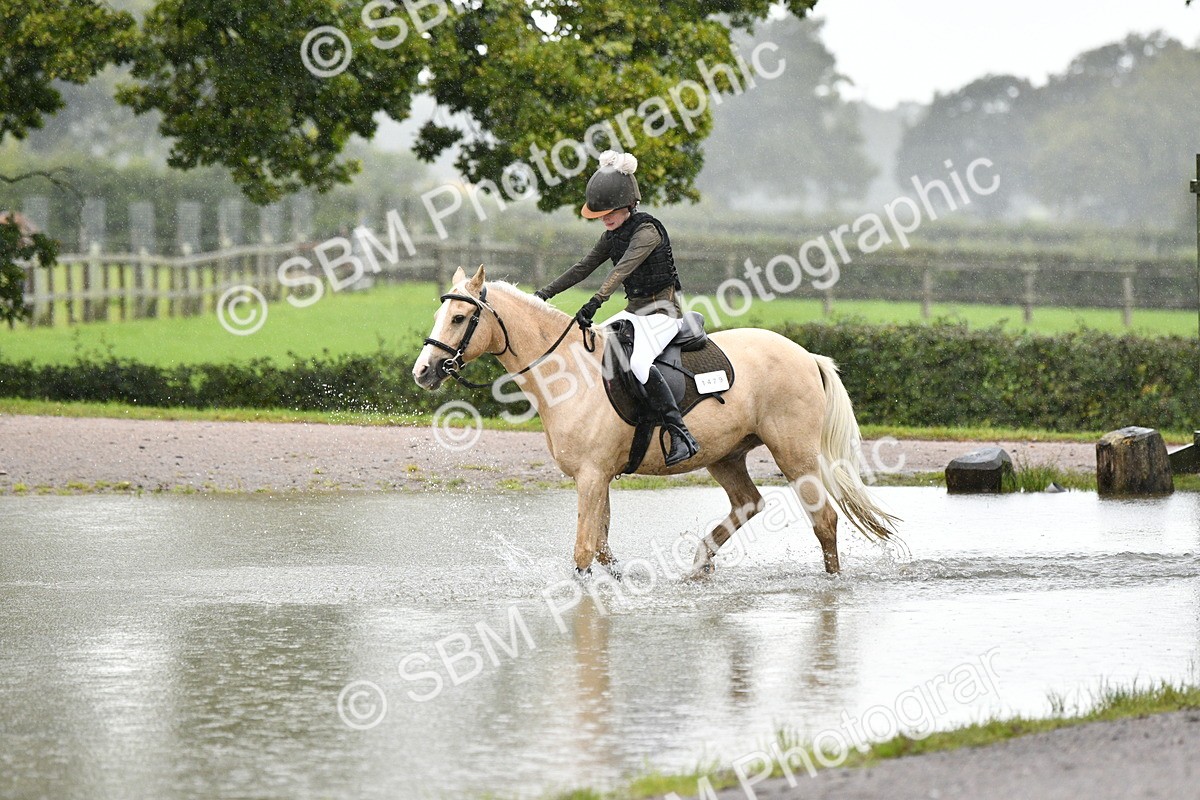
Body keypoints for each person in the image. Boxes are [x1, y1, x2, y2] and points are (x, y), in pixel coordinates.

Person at [534, 150, 700, 467]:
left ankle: (680, 432)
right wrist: (543, 294)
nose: (605, 218)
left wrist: (596, 301)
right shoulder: (612, 235)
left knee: (638, 363)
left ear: (628, 205)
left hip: (663, 314)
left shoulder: (648, 232)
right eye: (601, 214)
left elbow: (621, 270)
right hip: (634, 313)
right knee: (592, 349)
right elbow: (582, 268)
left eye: (610, 212)